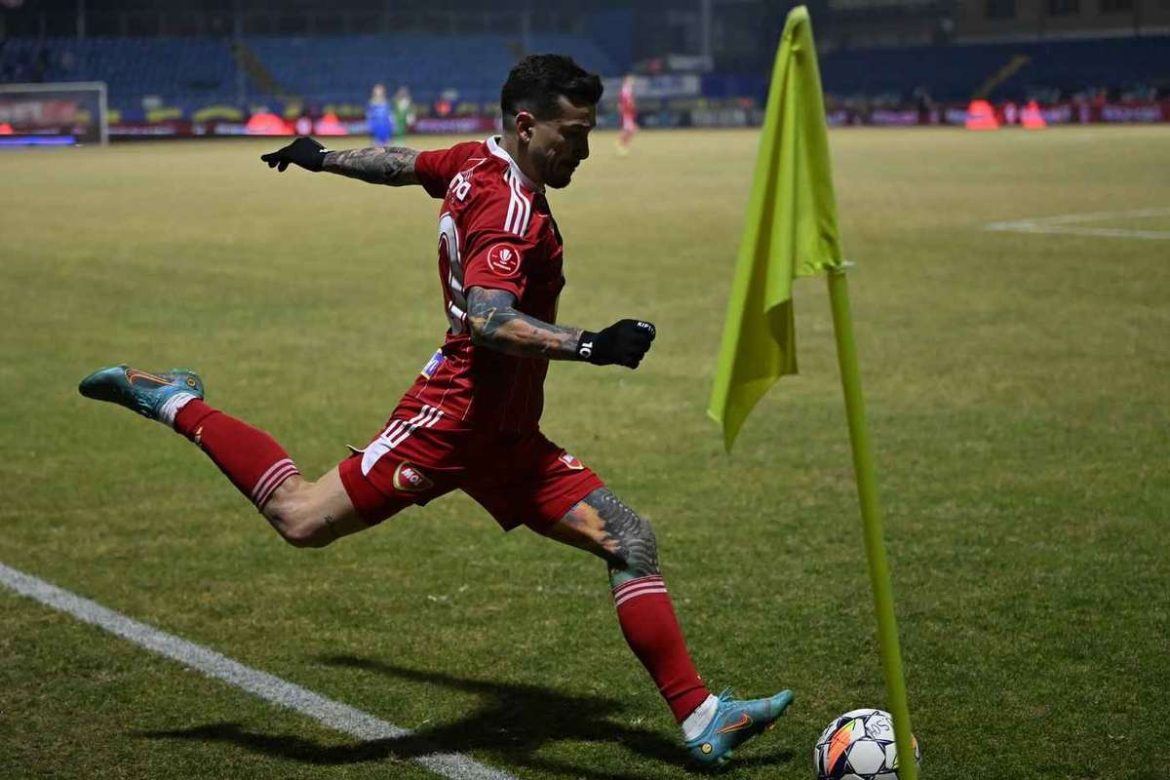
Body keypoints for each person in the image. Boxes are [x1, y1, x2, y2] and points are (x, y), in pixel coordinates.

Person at [78, 54, 791, 768]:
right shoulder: (508, 208)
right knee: (299, 518)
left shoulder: (475, 159)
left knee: (629, 539)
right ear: (526, 125)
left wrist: (323, 157)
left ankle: (701, 716)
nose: (583, 150)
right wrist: (592, 345)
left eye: (588, 134)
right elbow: (489, 318)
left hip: (509, 437)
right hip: (453, 420)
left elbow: (401, 164)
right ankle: (173, 399)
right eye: (572, 135)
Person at [616, 74, 638, 156]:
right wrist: (626, 107)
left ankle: (622, 144)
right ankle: (621, 144)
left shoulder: (628, 89)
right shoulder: (625, 89)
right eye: (631, 80)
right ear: (626, 81)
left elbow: (623, 101)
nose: (633, 82)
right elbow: (624, 101)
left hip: (629, 113)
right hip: (627, 113)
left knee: (630, 130)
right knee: (631, 130)